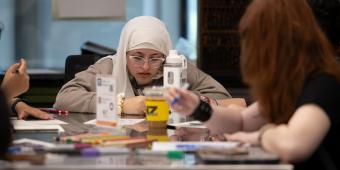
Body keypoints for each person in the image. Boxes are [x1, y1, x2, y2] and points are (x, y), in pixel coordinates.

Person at [165, 0, 339, 169]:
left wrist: (259, 136)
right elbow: (241, 122)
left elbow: (293, 145)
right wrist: (197, 107)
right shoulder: (289, 85)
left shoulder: (323, 84)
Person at [54, 16, 232, 114]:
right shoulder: (108, 68)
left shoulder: (176, 68)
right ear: (125, 53)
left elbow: (222, 96)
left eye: (155, 58)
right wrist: (121, 105)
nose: (145, 67)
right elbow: (64, 98)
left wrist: (185, 98)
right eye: (137, 57)